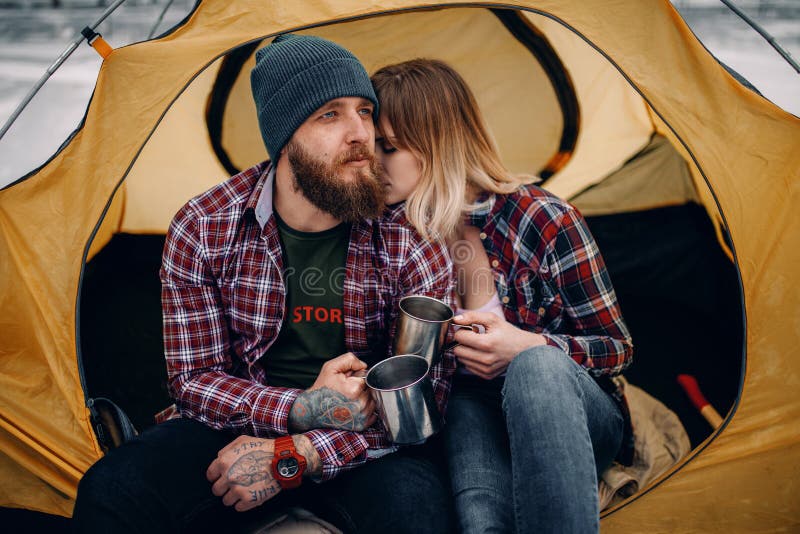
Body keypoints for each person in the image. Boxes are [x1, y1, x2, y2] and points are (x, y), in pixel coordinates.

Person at [73, 37, 457, 534]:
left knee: (417, 511)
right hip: (228, 431)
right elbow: (193, 380)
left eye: (365, 111)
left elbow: (430, 399)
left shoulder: (408, 237)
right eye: (330, 115)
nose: (360, 132)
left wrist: (295, 455)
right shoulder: (205, 225)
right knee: (114, 491)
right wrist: (296, 410)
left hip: (363, 445)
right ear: (284, 137)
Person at [371, 58, 634, 533]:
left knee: (536, 368)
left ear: (437, 144)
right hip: (473, 408)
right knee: (483, 521)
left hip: (570, 407)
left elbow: (616, 349)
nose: (375, 164)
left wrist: (526, 346)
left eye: (388, 148)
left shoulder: (544, 220)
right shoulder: (389, 232)